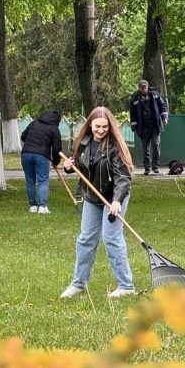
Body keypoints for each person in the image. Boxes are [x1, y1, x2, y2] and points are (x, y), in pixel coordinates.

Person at [60, 107, 137, 299]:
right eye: (97, 126)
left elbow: (123, 178)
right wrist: (70, 167)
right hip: (93, 198)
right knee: (85, 239)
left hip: (114, 198)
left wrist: (117, 201)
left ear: (110, 126)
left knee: (111, 238)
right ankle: (78, 284)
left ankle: (126, 286)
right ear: (90, 125)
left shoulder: (115, 147)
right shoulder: (83, 143)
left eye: (104, 127)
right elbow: (80, 165)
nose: (100, 130)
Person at [20, 111, 62, 214]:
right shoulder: (54, 129)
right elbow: (57, 149)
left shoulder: (34, 122)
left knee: (30, 181)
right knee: (43, 181)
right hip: (41, 155)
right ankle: (42, 207)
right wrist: (56, 162)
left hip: (25, 153)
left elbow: (23, 136)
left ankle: (33, 206)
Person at [129, 79, 169, 175]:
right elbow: (132, 114)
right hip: (143, 128)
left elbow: (163, 106)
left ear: (147, 87)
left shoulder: (155, 94)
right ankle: (147, 168)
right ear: (139, 88)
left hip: (155, 126)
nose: (143, 89)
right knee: (145, 149)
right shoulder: (134, 98)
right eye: (141, 87)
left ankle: (155, 166)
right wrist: (134, 128)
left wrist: (165, 117)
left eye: (145, 87)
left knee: (155, 145)